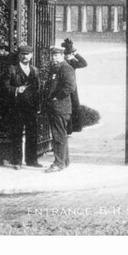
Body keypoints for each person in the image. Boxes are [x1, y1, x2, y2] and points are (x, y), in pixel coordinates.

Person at [2, 44, 42, 170]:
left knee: (32, 134)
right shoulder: (12, 69)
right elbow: (4, 87)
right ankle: (17, 161)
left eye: (27, 54)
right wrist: (16, 90)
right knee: (16, 134)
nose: (25, 57)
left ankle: (32, 160)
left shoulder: (35, 70)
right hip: (16, 107)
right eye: (23, 54)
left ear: (31, 55)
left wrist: (38, 105)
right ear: (19, 55)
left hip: (31, 107)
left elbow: (39, 90)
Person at [45, 45, 76, 173]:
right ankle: (64, 161)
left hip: (61, 107)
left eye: (57, 55)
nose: (54, 57)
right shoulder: (56, 68)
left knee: (58, 136)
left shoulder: (66, 68)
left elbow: (70, 87)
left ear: (62, 55)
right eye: (52, 55)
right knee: (61, 134)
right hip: (56, 107)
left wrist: (56, 98)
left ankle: (58, 163)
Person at [62, 38, 87, 134]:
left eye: (70, 53)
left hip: (73, 86)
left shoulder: (73, 62)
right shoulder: (63, 62)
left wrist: (76, 54)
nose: (68, 55)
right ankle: (67, 129)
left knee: (74, 106)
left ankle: (75, 128)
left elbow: (84, 63)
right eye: (66, 53)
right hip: (65, 86)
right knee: (66, 106)